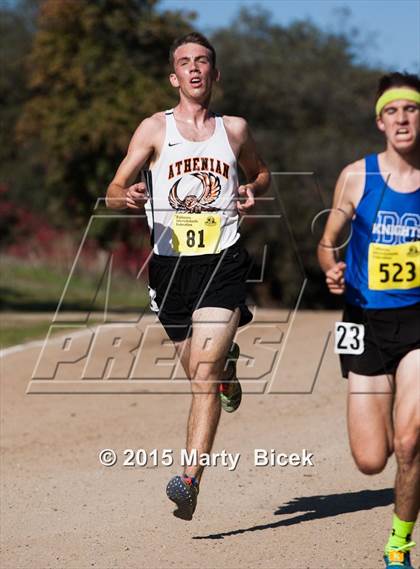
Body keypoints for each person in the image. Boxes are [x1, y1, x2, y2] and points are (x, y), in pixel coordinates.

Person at [105, 32, 270, 521]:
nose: (195, 69)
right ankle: (228, 367)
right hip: (171, 266)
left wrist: (252, 190)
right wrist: (126, 196)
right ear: (173, 76)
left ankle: (189, 479)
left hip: (223, 258)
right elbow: (115, 188)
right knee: (201, 371)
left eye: (203, 62)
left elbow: (260, 173)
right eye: (185, 63)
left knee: (203, 376)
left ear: (214, 74)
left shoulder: (234, 129)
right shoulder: (154, 130)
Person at [318, 72, 420, 568]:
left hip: (419, 320)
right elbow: (327, 238)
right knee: (370, 459)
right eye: (393, 112)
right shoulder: (358, 175)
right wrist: (330, 266)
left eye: (411, 109)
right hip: (362, 319)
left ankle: (399, 545)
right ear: (380, 121)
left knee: (409, 442)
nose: (403, 119)